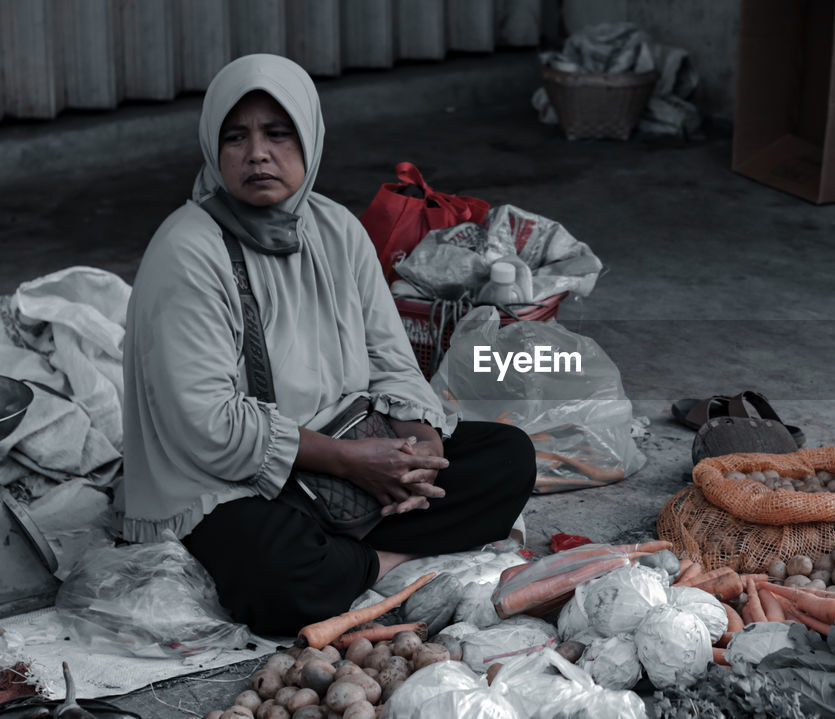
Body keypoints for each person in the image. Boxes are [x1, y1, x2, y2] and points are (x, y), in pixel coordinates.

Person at [115, 54, 536, 635]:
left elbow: (391, 358)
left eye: (277, 133)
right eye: (235, 137)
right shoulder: (188, 251)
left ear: (309, 138)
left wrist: (418, 454)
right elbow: (205, 423)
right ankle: (386, 563)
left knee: (508, 459)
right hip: (236, 480)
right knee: (277, 570)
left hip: (351, 457)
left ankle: (350, 561)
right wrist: (349, 463)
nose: (257, 153)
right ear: (214, 150)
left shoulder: (337, 230)